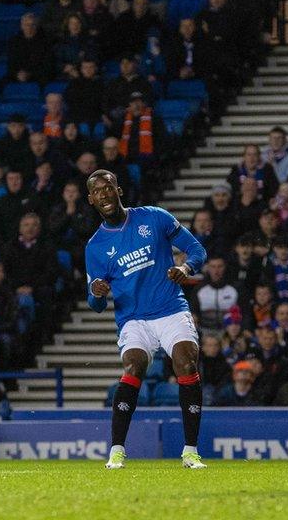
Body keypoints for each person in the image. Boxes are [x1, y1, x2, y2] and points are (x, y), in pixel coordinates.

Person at [84, 169, 208, 469]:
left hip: (170, 309)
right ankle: (116, 452)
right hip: (133, 319)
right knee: (134, 366)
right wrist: (97, 292)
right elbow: (95, 305)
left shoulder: (154, 217)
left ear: (119, 191)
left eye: (108, 187)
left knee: (186, 361)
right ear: (91, 200)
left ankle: (190, 452)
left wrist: (186, 269)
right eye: (97, 191)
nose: (104, 194)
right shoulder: (95, 246)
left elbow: (197, 250)